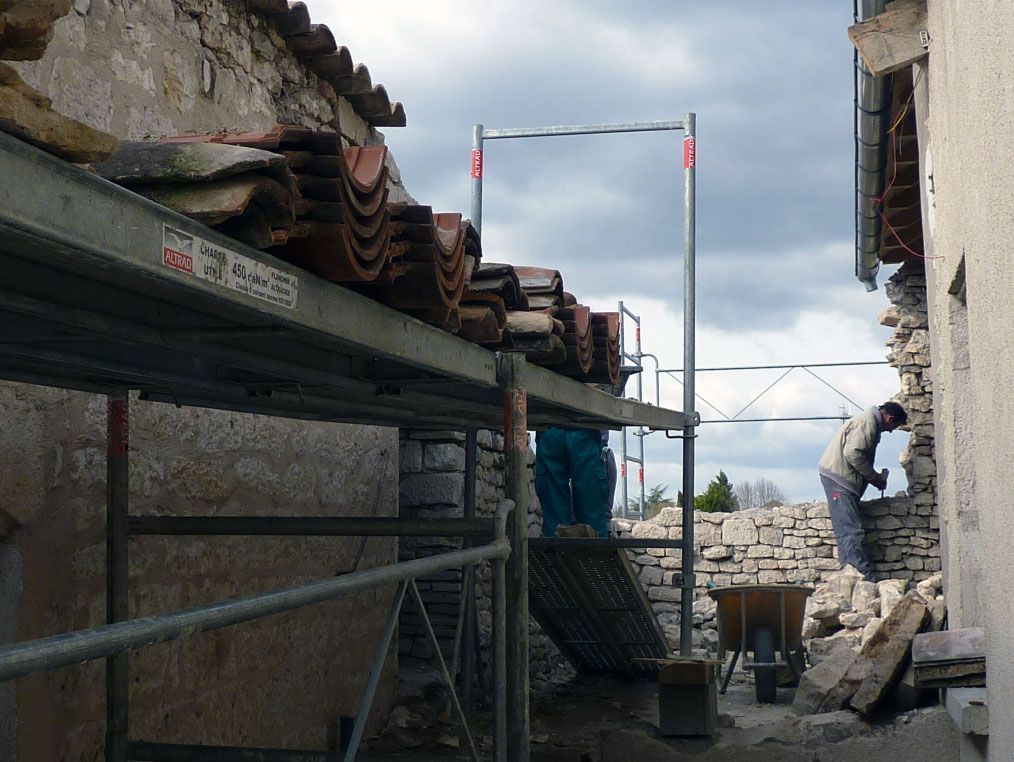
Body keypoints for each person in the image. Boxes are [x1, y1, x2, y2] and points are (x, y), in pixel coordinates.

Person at [818, 401, 908, 581]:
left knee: (847, 531)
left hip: (840, 478)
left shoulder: (868, 421)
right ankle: (864, 581)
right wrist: (873, 477)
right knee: (851, 531)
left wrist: (871, 478)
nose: (890, 431)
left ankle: (850, 579)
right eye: (893, 426)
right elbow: (853, 454)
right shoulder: (868, 423)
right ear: (889, 418)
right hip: (839, 479)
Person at [535, 427, 611, 537]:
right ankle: (593, 550)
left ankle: (555, 549)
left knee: (555, 513)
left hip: (554, 427)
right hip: (584, 426)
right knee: (590, 511)